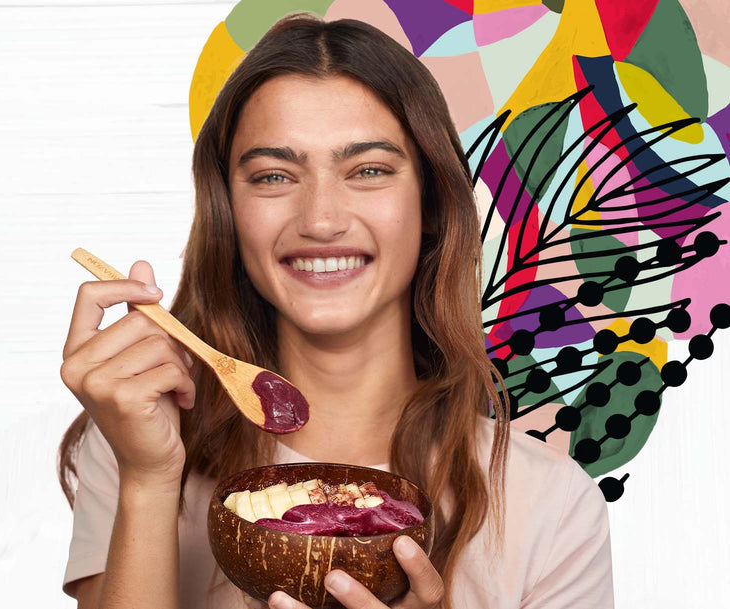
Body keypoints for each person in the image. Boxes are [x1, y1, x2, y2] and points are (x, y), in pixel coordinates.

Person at [57, 12, 614, 609]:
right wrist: (147, 480)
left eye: (369, 170)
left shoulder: (550, 505)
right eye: (273, 176)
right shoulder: (142, 440)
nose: (321, 220)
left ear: (431, 203)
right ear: (229, 213)